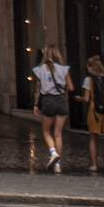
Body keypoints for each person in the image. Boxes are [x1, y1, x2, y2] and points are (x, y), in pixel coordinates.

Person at [33, 45, 72, 174]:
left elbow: (38, 89)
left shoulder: (40, 69)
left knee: (46, 131)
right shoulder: (64, 69)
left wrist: (36, 105)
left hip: (48, 101)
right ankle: (58, 165)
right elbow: (71, 88)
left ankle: (53, 152)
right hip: (61, 100)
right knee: (58, 134)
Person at [80, 55, 104, 176]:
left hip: (95, 111)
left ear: (91, 66)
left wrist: (78, 98)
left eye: (88, 66)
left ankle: (94, 164)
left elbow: (86, 99)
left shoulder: (89, 79)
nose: (87, 69)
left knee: (93, 138)